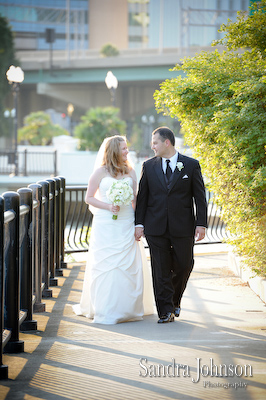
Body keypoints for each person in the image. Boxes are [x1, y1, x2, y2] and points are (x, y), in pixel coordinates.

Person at [73, 135, 154, 324]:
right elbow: (89, 198)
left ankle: (127, 309)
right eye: (124, 149)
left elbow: (135, 200)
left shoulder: (131, 172)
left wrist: (138, 225)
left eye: (127, 148)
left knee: (127, 265)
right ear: (113, 151)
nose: (127, 151)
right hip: (105, 224)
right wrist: (108, 206)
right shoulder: (100, 172)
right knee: (106, 266)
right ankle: (105, 308)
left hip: (126, 222)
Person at [135, 127, 207, 324]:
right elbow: (142, 198)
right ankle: (165, 311)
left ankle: (174, 300)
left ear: (167, 142)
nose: (152, 146)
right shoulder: (148, 166)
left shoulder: (191, 165)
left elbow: (200, 198)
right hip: (155, 226)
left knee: (185, 264)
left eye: (155, 142)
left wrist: (201, 223)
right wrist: (139, 224)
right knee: (160, 269)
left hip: (183, 226)